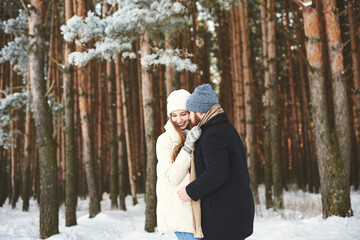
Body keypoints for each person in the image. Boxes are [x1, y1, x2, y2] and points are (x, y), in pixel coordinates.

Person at [177, 84, 255, 240]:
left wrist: (190, 191)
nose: (189, 118)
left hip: (225, 217)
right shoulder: (224, 129)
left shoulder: (214, 134)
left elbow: (217, 173)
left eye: (190, 112)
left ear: (200, 111)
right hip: (231, 213)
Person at [156, 89, 204, 240]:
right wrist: (187, 148)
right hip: (179, 211)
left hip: (196, 210)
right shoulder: (165, 140)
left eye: (183, 114)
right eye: (174, 115)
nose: (179, 119)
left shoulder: (196, 133)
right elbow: (170, 177)